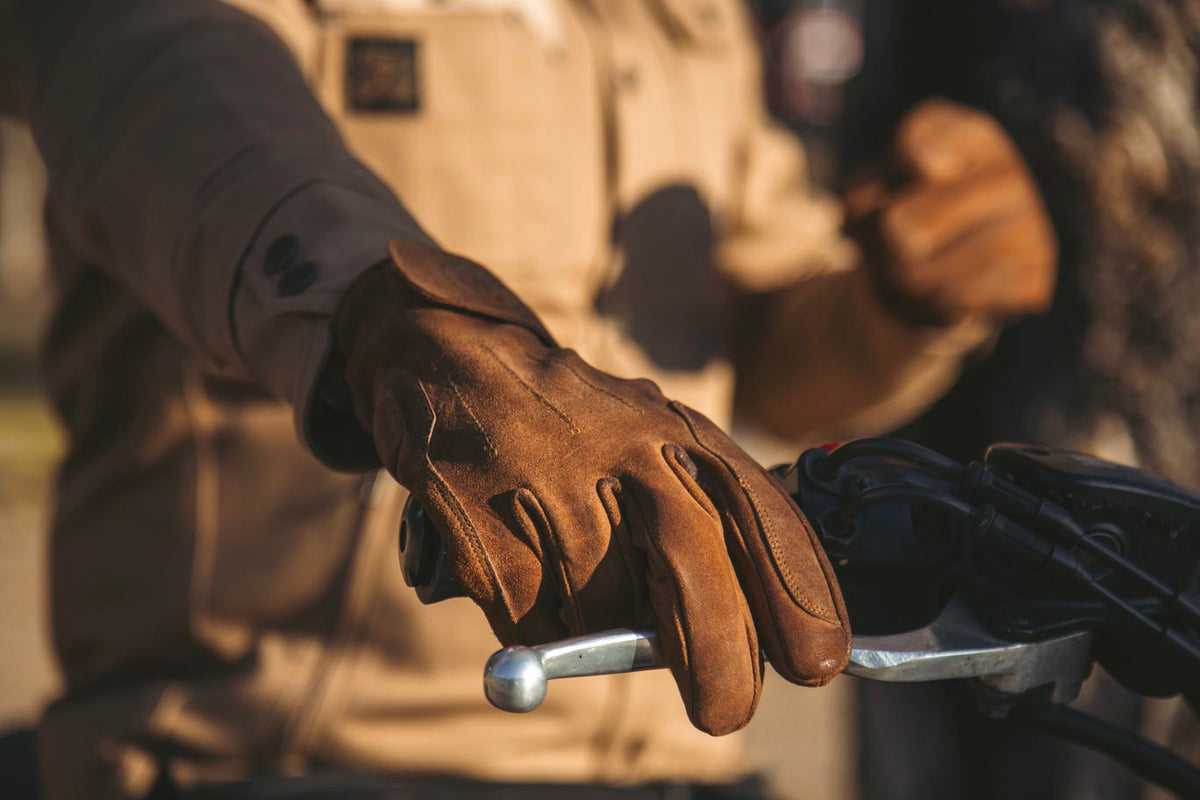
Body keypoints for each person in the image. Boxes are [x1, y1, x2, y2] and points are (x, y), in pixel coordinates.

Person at [0, 0, 1055, 797]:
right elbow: (167, 87)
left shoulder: (683, 18)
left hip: (675, 760)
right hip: (271, 759)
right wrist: (392, 316)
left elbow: (770, 354)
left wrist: (901, 304)